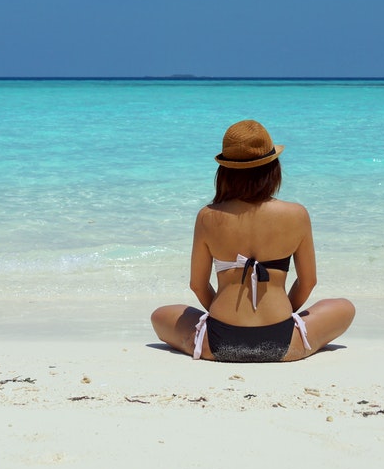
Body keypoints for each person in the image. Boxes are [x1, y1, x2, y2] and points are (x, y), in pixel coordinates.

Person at [151, 120, 355, 362]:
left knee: (160, 315)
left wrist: (227, 317)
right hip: (283, 340)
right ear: (273, 169)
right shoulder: (296, 214)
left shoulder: (208, 216)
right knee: (344, 307)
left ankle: (216, 338)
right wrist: (280, 315)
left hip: (218, 341)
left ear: (225, 172)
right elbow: (308, 282)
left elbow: (198, 285)